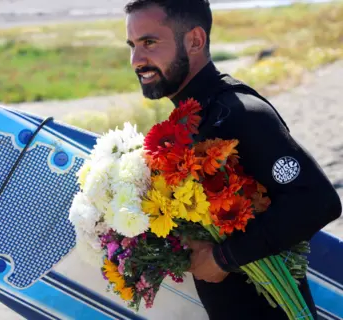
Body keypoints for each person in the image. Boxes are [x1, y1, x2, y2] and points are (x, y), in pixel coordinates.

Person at [124, 0, 342, 319]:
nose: (136, 60)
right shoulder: (189, 122)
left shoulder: (240, 113)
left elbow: (318, 201)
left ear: (195, 40)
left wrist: (223, 258)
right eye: (132, 45)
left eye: (149, 43)